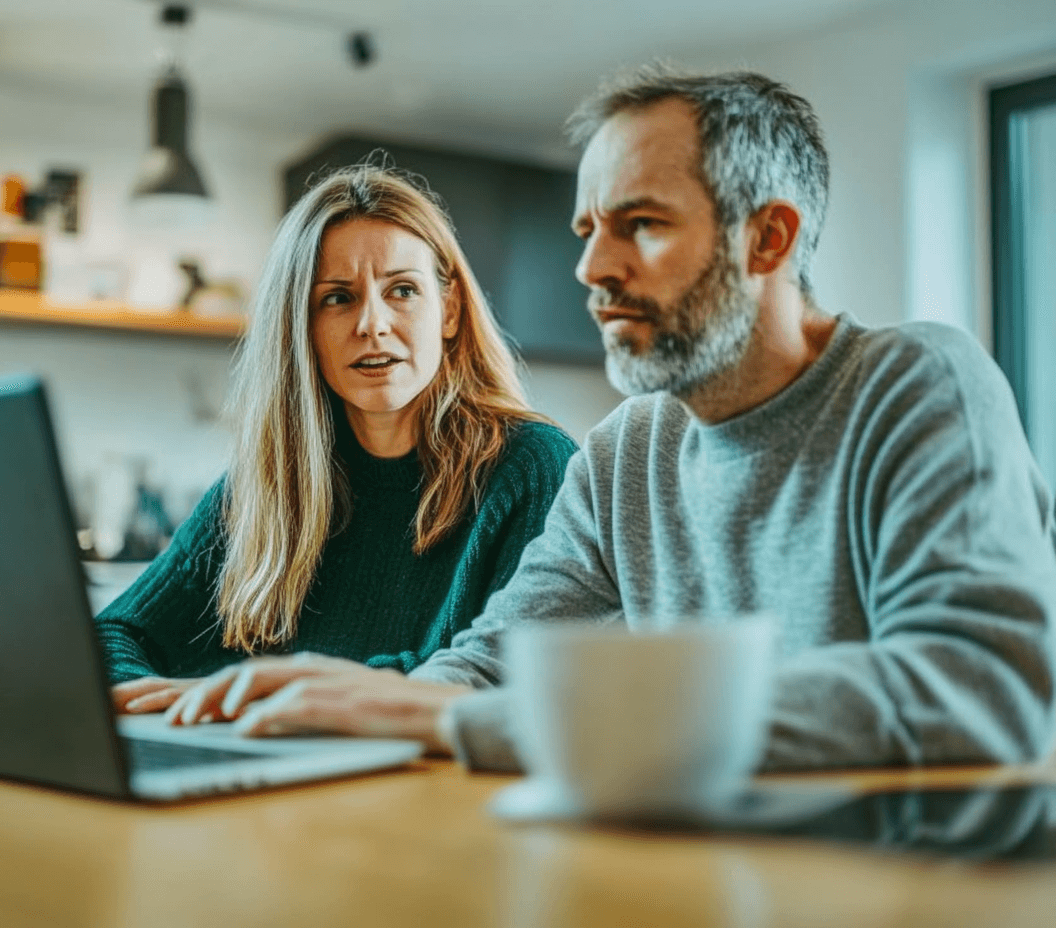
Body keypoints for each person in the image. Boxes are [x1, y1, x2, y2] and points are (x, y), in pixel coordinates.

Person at [171, 68, 1056, 774]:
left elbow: (974, 683)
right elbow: (488, 665)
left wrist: (476, 720)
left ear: (768, 241)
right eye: (589, 228)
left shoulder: (917, 385)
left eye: (640, 224)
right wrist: (350, 719)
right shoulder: (629, 450)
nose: (592, 266)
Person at [98, 164, 578, 718]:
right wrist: (165, 700)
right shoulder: (265, 485)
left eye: (402, 290)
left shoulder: (532, 465)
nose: (372, 324)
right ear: (301, 327)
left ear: (448, 309)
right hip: (275, 779)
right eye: (338, 298)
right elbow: (112, 637)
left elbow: (495, 681)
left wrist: (255, 694)